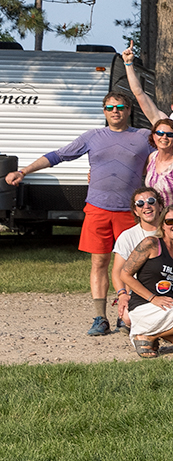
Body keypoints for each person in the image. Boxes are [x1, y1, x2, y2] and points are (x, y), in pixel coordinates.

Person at [5, 87, 152, 336]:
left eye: (120, 107)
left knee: (131, 265)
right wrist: (24, 171)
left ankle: (127, 314)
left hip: (131, 212)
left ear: (129, 110)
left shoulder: (143, 136)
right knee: (99, 262)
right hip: (98, 209)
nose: (115, 112)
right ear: (104, 111)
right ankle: (100, 317)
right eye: (110, 108)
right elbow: (58, 156)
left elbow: (171, 151)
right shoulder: (92, 136)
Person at [115, 207, 173, 358]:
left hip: (169, 306)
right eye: (170, 221)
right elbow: (125, 274)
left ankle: (149, 335)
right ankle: (147, 331)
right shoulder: (151, 244)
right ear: (162, 225)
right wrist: (153, 298)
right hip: (145, 305)